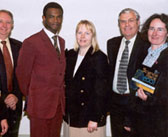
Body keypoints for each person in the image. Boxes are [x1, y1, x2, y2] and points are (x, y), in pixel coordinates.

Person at [16, 2, 65, 137]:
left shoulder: (61, 41)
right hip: (39, 106)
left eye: (59, 17)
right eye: (51, 17)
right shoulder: (31, 42)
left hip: (58, 106)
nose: (56, 20)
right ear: (44, 19)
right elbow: (22, 74)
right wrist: (34, 96)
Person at [107, 8, 149, 137]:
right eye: (123, 21)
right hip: (115, 103)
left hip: (134, 103)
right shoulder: (112, 43)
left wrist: (133, 113)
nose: (127, 25)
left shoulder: (147, 45)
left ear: (138, 22)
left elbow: (145, 81)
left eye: (131, 20)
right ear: (119, 24)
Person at [63, 20, 108, 137]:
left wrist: (95, 118)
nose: (82, 36)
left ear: (92, 36)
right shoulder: (70, 55)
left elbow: (101, 92)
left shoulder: (99, 57)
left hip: (89, 119)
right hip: (71, 117)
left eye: (87, 33)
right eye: (79, 32)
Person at [125, 13, 168, 137]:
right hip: (139, 122)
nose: (155, 33)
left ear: (167, 33)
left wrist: (149, 99)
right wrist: (129, 119)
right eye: (151, 28)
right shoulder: (142, 53)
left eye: (160, 29)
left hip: (159, 124)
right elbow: (134, 87)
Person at [0, 9, 23, 137]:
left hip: (15, 107)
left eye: (8, 22)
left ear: (13, 25)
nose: (4, 26)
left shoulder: (20, 47)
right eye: (0, 21)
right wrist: (5, 97)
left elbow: (25, 76)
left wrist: (15, 95)